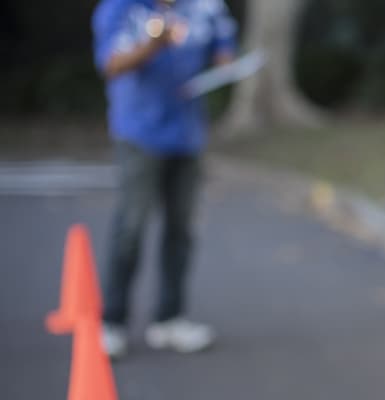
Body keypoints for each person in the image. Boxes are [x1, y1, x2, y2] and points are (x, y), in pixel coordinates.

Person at [91, 0, 238, 358]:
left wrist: (226, 60)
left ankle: (169, 319)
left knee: (182, 229)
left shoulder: (203, 6)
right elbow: (111, 64)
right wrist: (153, 43)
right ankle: (112, 322)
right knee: (131, 228)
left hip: (187, 134)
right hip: (139, 132)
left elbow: (223, 47)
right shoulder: (120, 9)